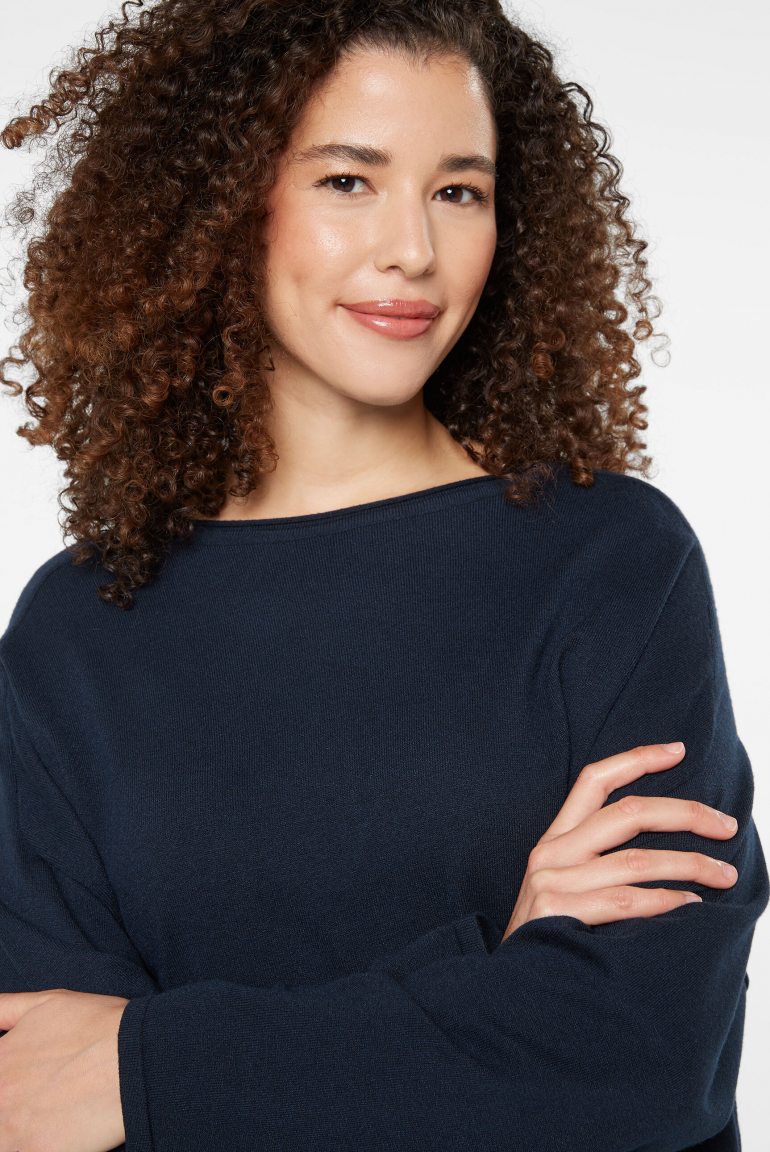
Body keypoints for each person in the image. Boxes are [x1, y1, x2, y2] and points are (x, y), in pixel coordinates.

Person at [0, 1, 766, 1149]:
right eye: (347, 180)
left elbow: (641, 1059)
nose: (412, 248)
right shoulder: (78, 634)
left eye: (457, 190)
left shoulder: (611, 564)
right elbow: (41, 1101)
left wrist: (148, 1065)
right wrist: (494, 971)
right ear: (222, 201)